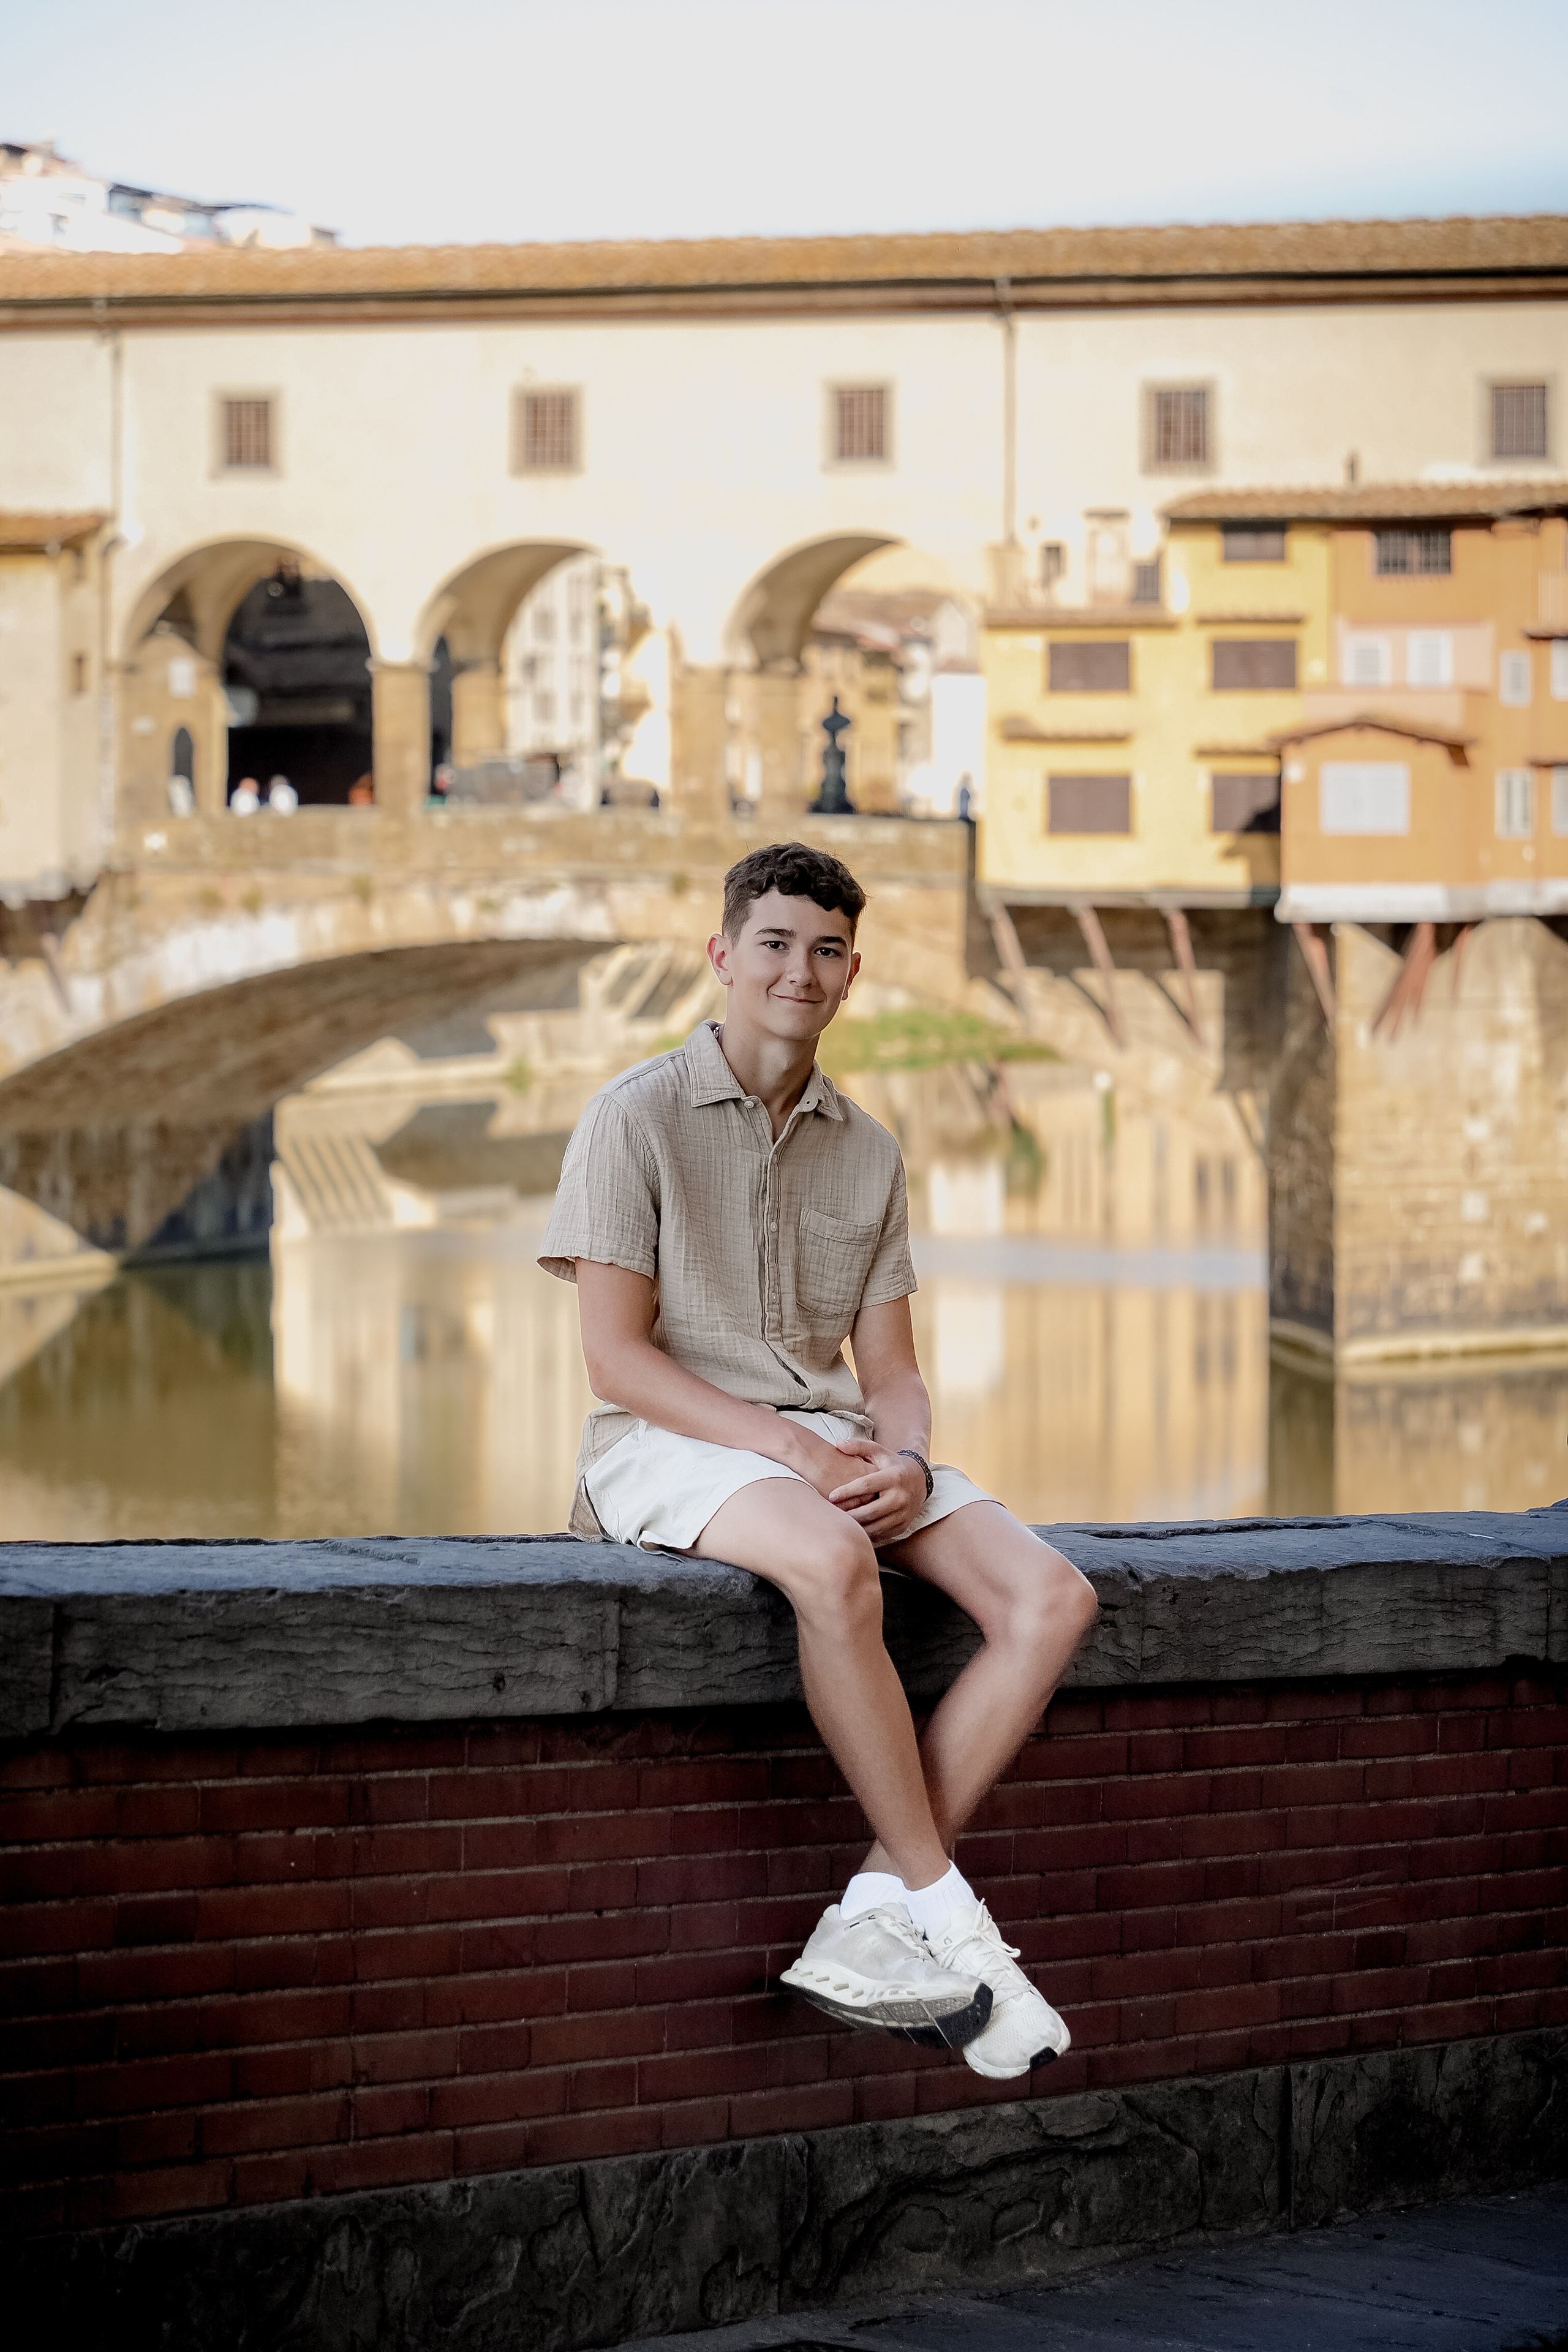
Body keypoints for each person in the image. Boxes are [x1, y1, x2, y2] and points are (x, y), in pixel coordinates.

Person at [540, 841, 1098, 2076]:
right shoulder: (630, 1117)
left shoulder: (872, 1149)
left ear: (852, 974)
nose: (801, 969)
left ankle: (868, 1911)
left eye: (827, 950)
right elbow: (614, 1363)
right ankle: (949, 1913)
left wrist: (904, 1453)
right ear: (723, 955)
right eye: (777, 944)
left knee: (1051, 1597)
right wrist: (793, 1448)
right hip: (668, 1444)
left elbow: (891, 1367)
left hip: (829, 1447)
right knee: (834, 1558)